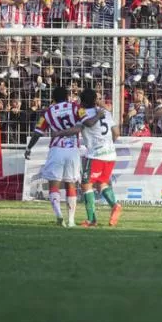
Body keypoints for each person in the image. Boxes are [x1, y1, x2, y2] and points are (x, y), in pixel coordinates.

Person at [54, 88, 122, 227]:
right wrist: (108, 144)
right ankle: (115, 206)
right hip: (110, 154)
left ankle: (92, 219)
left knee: (86, 184)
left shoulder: (84, 114)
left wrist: (60, 133)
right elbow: (116, 132)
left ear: (82, 101)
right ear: (94, 100)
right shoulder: (106, 113)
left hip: (95, 155)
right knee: (102, 183)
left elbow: (76, 130)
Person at [25, 85, 81, 227]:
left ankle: (59, 216)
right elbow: (85, 121)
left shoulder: (48, 112)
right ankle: (72, 220)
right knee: (71, 184)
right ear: (67, 97)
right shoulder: (75, 107)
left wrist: (29, 147)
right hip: (73, 149)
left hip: (57, 149)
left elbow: (38, 131)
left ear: (54, 99)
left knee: (53, 184)